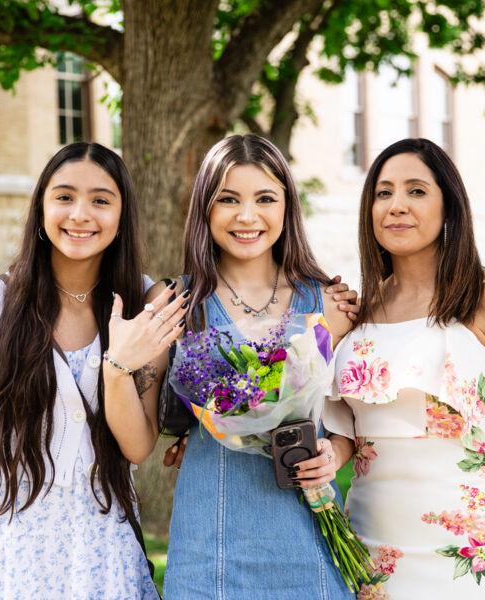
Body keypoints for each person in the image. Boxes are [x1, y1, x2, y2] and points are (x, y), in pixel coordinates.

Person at [0, 142, 187, 599]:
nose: (80, 214)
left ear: (122, 214)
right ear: (41, 208)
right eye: (64, 196)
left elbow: (137, 446)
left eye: (101, 200)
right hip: (3, 543)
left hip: (99, 542)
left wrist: (117, 366)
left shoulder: (146, 304)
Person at [323, 138, 485, 599]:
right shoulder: (361, 311)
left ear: (448, 207)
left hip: (471, 556)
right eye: (383, 192)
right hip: (372, 549)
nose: (396, 206)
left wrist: (484, 518)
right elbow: (347, 434)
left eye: (416, 191)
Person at [161, 134, 358, 599]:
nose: (247, 216)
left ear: (287, 207)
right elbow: (151, 422)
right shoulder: (175, 304)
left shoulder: (328, 302)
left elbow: (352, 423)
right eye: (228, 199)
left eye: (265, 198)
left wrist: (336, 455)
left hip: (307, 539)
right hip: (210, 546)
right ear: (204, 210)